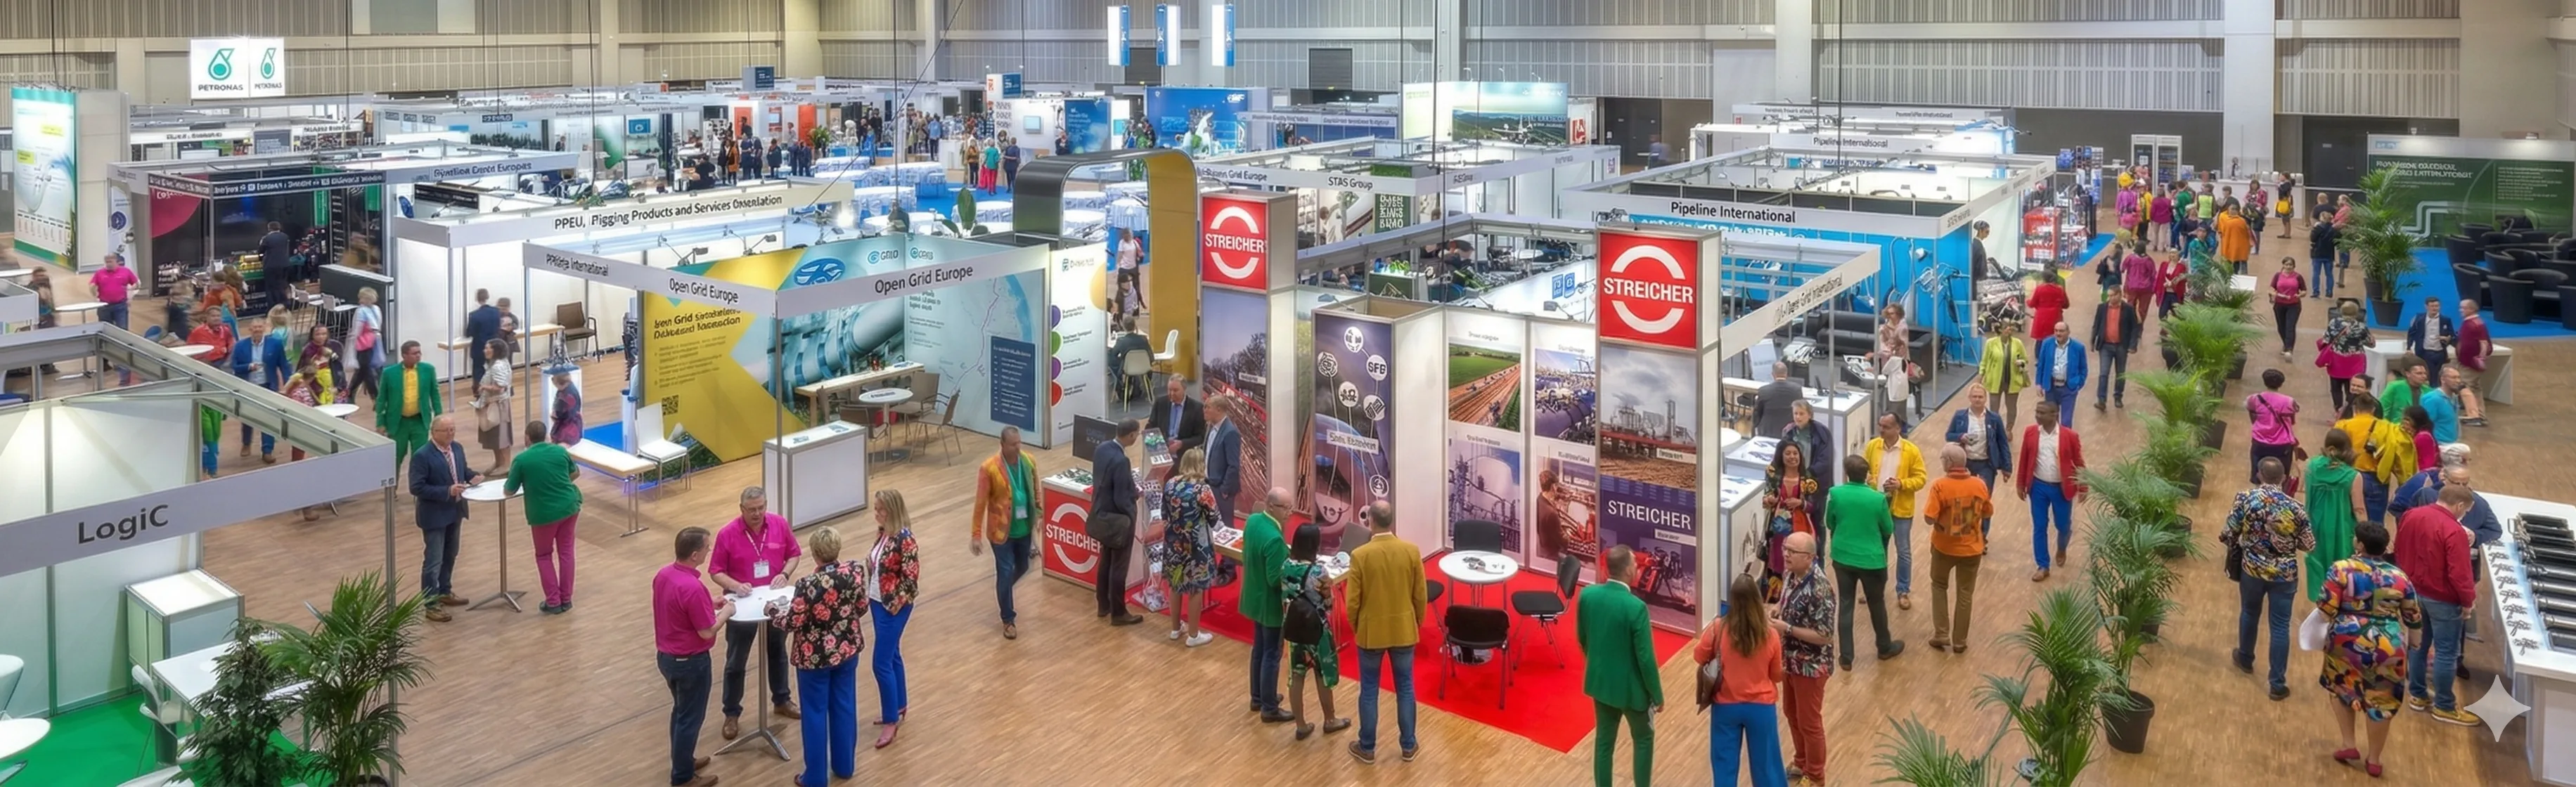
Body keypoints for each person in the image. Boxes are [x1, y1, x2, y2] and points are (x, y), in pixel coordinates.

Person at [2317, 520, 2421, 779]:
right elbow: (2413, 616)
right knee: (2382, 700)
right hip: (2389, 645)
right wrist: (2415, 644)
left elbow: (2326, 608)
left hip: (2346, 640)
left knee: (2340, 687)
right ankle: (2374, 760)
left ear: (2360, 545)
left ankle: (2348, 744)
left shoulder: (2341, 570)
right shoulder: (2400, 577)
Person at [768, 525, 863, 786]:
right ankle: (845, 767)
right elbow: (861, 607)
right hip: (846, 651)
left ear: (815, 553)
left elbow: (793, 622)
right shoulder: (855, 571)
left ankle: (815, 777)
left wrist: (773, 612)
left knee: (815, 713)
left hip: (814, 659)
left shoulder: (808, 584)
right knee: (845, 707)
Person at [711, 487, 806, 739]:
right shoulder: (727, 534)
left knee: (778, 653)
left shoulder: (779, 524)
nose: (757, 513)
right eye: (752, 509)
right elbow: (715, 571)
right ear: (741, 509)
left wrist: (785, 574)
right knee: (736, 662)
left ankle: (782, 700)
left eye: (761, 507)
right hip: (742, 605)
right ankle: (732, 713)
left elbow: (794, 554)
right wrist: (734, 585)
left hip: (773, 602)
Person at [2222, 457, 2317, 700]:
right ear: (2284, 478)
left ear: (2259, 474)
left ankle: (2245, 657)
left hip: (2252, 570)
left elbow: (2227, 533)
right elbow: (2309, 545)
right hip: (2284, 575)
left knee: (2249, 612)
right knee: (2280, 626)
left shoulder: (2245, 499)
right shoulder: (2295, 508)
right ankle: (2277, 683)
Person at [1346, 501, 1426, 765]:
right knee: (1405, 687)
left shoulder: (1360, 555)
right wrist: (1417, 622)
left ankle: (1367, 747)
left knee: (1369, 690)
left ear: (1370, 521)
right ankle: (1409, 745)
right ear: (1391, 520)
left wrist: (1357, 626)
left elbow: (1353, 602)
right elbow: (1420, 596)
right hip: (1404, 630)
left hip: (1371, 632)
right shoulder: (1411, 551)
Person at [2397, 483, 2481, 726]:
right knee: (2446, 652)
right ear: (2460, 506)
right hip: (2443, 599)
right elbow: (2460, 574)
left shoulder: (2411, 516)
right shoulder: (2454, 531)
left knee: (2417, 646)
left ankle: (2417, 695)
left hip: (2413, 592)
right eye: (2465, 511)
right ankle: (2444, 706)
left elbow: (2400, 549)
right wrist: (2468, 602)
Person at [655, 526, 733, 787]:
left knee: (680, 713)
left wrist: (708, 603)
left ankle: (683, 760)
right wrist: (726, 613)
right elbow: (706, 630)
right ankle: (683, 777)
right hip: (691, 663)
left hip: (666, 658)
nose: (709, 551)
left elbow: (677, 606)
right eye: (707, 548)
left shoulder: (665, 575)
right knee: (690, 718)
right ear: (695, 554)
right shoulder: (692, 587)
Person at [1694, 573, 1786, 787]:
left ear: (1732, 599)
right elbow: (1776, 676)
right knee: (1767, 767)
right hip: (1761, 708)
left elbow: (1698, 656)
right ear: (1757, 599)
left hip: (1726, 706)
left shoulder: (1718, 628)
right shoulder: (1771, 635)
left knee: (1724, 766)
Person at [1580, 545, 1662, 786]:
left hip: (1601, 684)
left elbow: (1584, 639)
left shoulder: (1587, 596)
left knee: (1604, 743)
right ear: (1627, 570)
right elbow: (1645, 659)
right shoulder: (1636, 608)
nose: (1638, 567)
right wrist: (1657, 695)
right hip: (1632, 691)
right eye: (1635, 564)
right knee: (1644, 739)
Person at [1822, 454, 1900, 667]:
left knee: (1846, 604)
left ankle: (1846, 658)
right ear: (1867, 475)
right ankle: (1884, 647)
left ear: (1847, 474)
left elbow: (1830, 522)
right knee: (1877, 604)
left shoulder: (1836, 494)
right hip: (1872, 561)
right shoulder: (1878, 499)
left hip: (1842, 557)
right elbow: (1889, 528)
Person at [1770, 530, 1834, 786]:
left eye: (1792, 552)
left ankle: (1816, 776)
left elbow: (1825, 635)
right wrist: (1778, 607)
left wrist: (1787, 629)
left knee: (1810, 722)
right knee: (1791, 713)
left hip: (1811, 665)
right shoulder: (1790, 575)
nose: (1786, 554)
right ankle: (1801, 761)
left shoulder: (1820, 588)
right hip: (1789, 660)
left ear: (1810, 557)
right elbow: (1786, 601)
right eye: (1786, 548)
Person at [1280, 521, 1350, 741]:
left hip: (1293, 626)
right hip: (1317, 629)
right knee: (1322, 674)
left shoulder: (1286, 566)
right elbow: (1328, 603)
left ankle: (1300, 724)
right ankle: (1330, 719)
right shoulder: (1319, 572)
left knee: (1296, 674)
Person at [505, 419, 584, 614]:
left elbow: (509, 490)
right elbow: (575, 473)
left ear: (527, 438)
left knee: (543, 555)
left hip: (543, 514)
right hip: (569, 507)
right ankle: (567, 599)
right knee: (566, 553)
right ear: (546, 435)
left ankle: (553, 601)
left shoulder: (522, 460)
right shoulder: (560, 451)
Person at [969, 426, 1041, 639]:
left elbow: (1034, 488)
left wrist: (1038, 513)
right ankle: (1008, 619)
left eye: (1019, 443)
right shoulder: (989, 469)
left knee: (1023, 566)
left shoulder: (1029, 461)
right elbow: (980, 503)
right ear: (1002, 445)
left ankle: (1003, 591)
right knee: (1006, 570)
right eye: (1013, 444)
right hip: (1000, 532)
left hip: (1024, 528)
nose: (1018, 447)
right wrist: (975, 535)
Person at [406, 414, 479, 623]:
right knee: (433, 560)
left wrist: (473, 476)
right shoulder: (422, 456)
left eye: (453, 429)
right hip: (435, 516)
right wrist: (447, 491)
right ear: (434, 432)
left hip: (455, 511)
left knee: (451, 555)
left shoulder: (457, 448)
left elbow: (462, 472)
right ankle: (430, 603)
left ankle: (445, 591)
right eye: (446, 430)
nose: (451, 434)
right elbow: (416, 487)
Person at [863, 490, 921, 748]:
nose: (876, 514)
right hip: (877, 602)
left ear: (893, 510)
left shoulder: (905, 540)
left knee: (881, 663)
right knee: (893, 655)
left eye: (881, 509)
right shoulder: (883, 533)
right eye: (876, 509)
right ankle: (900, 705)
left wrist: (893, 607)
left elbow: (911, 582)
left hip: (893, 608)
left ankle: (890, 721)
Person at [1921, 443, 1993, 654]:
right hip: (1972, 548)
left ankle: (1941, 633)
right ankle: (1960, 641)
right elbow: (1988, 512)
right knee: (1965, 593)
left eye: (1943, 459)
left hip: (1944, 547)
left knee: (1939, 586)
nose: (1941, 462)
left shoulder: (1939, 486)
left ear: (1948, 463)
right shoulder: (1979, 485)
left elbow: (1928, 517)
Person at [1861, 414, 1926, 609]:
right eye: (1880, 425)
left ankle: (1903, 590)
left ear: (1898, 428)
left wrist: (1901, 484)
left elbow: (1921, 478)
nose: (1882, 430)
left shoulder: (1911, 451)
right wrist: (1869, 478)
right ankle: (1874, 590)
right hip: (1876, 506)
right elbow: (1863, 468)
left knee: (1903, 551)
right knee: (1876, 550)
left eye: (1887, 427)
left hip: (1901, 509)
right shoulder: (1873, 446)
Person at [2016, 399, 2086, 581]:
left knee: (2063, 526)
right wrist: (2020, 484)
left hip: (2061, 488)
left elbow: (2079, 462)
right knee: (2039, 526)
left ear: (2054, 415)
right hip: (2038, 487)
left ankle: (2062, 546)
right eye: (2036, 412)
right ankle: (2043, 565)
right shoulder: (2031, 433)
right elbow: (2024, 458)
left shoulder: (2069, 436)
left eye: (2042, 413)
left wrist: (2084, 486)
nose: (2037, 415)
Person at [1239, 486, 1293, 722]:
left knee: (1259, 650)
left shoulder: (1252, 522)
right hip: (1269, 605)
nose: (1290, 512)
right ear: (1271, 506)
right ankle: (1269, 708)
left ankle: (1258, 696)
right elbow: (1275, 579)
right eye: (1285, 508)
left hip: (1253, 596)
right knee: (1272, 654)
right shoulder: (1274, 540)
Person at [1161, 448, 1221, 648]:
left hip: (1173, 544)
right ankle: (1194, 635)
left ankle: (1175, 628)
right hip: (1196, 547)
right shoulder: (1202, 490)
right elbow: (1215, 519)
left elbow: (1164, 514)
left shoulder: (1170, 484)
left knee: (1175, 584)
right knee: (1196, 588)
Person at [2300, 430, 2365, 602]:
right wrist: (2364, 535)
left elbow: (2305, 495)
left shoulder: (2310, 466)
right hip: (2342, 530)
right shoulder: (2353, 476)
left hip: (2315, 526)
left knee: (2317, 565)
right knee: (2342, 568)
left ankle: (2320, 604)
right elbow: (2359, 509)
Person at [1091, 420, 1145, 625]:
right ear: (1131, 435)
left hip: (1102, 514)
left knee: (1105, 560)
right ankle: (1119, 612)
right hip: (1119, 520)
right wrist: (1132, 510)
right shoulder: (1122, 461)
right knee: (1119, 566)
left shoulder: (1102, 448)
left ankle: (1103, 604)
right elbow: (1122, 497)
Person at [1946, 384, 2011, 537]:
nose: (1977, 399)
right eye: (1974, 396)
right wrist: (1960, 437)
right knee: (1964, 499)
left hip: (1986, 465)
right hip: (1965, 465)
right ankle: (1965, 532)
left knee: (1984, 500)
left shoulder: (1994, 419)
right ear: (1969, 398)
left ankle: (1982, 536)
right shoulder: (1960, 416)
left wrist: (2007, 467)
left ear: (1985, 399)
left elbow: (2003, 443)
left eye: (1980, 397)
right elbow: (1948, 435)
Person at [1760, 441, 1823, 599]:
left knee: (1800, 558)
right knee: (1778, 559)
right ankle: (1777, 599)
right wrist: (1769, 501)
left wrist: (1800, 503)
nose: (1792, 457)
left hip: (1802, 526)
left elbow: (1815, 506)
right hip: (1777, 528)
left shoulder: (1808, 478)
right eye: (1787, 454)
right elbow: (1766, 498)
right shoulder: (1773, 475)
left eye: (1795, 453)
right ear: (1781, 456)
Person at [375, 341, 443, 469]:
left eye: (419, 352)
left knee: (421, 458)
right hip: (398, 422)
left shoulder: (428, 370)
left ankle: (418, 488)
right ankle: (391, 488)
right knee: (395, 457)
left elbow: (435, 394)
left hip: (420, 420)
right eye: (415, 353)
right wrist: (380, 422)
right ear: (404, 355)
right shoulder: (389, 373)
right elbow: (382, 399)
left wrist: (439, 417)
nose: (419, 356)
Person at [232, 316, 290, 462]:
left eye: (260, 327)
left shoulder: (275, 344)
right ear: (250, 330)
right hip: (248, 387)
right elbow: (234, 367)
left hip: (268, 386)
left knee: (268, 418)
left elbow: (283, 365)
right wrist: (248, 367)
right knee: (248, 418)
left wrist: (289, 386)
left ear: (265, 328)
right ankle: (246, 443)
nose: (257, 330)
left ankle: (267, 450)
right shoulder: (240, 346)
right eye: (254, 327)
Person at [2089, 288, 2142, 410]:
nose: (2110, 298)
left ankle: (2118, 396)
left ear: (2119, 295)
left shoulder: (2128, 309)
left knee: (2120, 373)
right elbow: (2096, 324)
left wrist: (2132, 345)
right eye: (2109, 296)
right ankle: (2101, 400)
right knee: (2103, 373)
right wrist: (2092, 341)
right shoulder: (2102, 308)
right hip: (2105, 346)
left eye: (2113, 295)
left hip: (2121, 346)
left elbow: (2135, 327)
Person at [2246, 368, 2300, 483]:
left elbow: (2252, 416)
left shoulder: (2254, 399)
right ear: (2281, 384)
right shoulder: (2289, 401)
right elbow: (2292, 421)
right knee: (2281, 476)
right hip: (2282, 444)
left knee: (2258, 475)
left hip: (2259, 441)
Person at [1978, 321, 2031, 430]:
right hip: (1995, 381)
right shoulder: (1991, 343)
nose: (2008, 330)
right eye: (2005, 327)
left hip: (2013, 381)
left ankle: (2009, 429)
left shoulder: (2018, 343)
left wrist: (2021, 362)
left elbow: (2025, 360)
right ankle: (1994, 429)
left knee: (2011, 408)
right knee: (1994, 408)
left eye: (2010, 328)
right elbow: (1985, 361)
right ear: (2000, 330)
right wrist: (1981, 376)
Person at [2317, 301, 2368, 415]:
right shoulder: (2361, 326)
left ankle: (2338, 411)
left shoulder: (2334, 323)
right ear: (2356, 312)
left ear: (2341, 311)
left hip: (2337, 360)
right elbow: (2370, 343)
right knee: (2353, 387)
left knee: (2336, 388)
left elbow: (2326, 339)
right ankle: (2350, 411)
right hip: (2355, 361)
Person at [2034, 320, 2087, 427]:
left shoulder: (2078, 347)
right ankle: (2053, 442)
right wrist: (2039, 383)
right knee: (2051, 420)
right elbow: (2041, 365)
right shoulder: (2047, 344)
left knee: (2066, 422)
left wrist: (2078, 383)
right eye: (2056, 331)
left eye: (2062, 331)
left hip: (2069, 388)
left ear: (2068, 332)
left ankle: (2065, 443)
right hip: (2051, 387)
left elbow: (2084, 368)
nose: (2058, 334)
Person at [476, 339, 516, 474]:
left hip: (498, 405)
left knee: (501, 435)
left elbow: (500, 388)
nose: (485, 351)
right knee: (493, 436)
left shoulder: (498, 366)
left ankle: (506, 465)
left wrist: (483, 387)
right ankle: (498, 462)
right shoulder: (496, 364)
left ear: (496, 351)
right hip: (491, 403)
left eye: (488, 348)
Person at [1206, 394, 1246, 527]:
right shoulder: (1211, 428)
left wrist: (1224, 489)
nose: (1204, 410)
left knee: (1225, 525)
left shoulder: (1230, 432)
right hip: (1210, 485)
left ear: (1218, 409)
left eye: (1208, 407)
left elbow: (1233, 465)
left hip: (1221, 490)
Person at [1150, 376, 1209, 456]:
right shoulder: (1160, 403)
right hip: (1161, 452)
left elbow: (1200, 437)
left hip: (1184, 455)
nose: (1172, 394)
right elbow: (1151, 427)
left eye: (1175, 390)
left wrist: (1182, 444)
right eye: (1169, 390)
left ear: (1184, 389)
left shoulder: (1197, 408)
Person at [2454, 299, 2490, 428]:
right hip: (2466, 362)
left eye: (2463, 308)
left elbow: (2484, 343)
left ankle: (2474, 416)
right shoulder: (2470, 323)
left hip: (2469, 364)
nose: (2460, 310)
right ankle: (2480, 416)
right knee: (2475, 389)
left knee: (2465, 388)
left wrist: (2480, 359)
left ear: (2471, 309)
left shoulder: (2475, 324)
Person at [2404, 297, 2453, 382]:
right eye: (2432, 306)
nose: (2435, 308)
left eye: (2437, 306)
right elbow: (2411, 333)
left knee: (2438, 375)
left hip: (2440, 352)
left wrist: (2448, 338)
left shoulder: (2446, 320)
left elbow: (2452, 334)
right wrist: (2409, 347)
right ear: (2426, 307)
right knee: (2427, 375)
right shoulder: (2419, 319)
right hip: (2424, 352)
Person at [1751, 362, 1804, 438]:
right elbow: (1801, 410)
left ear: (1773, 374)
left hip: (1768, 432)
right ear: (1787, 374)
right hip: (1790, 432)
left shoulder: (1764, 391)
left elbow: (1757, 413)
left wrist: (1756, 426)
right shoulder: (1797, 389)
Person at [2269, 258, 2306, 356]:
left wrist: (2300, 295)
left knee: (2290, 326)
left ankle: (2289, 348)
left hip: (2294, 305)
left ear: (2294, 266)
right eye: (2287, 265)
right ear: (2283, 265)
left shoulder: (2298, 277)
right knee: (2281, 327)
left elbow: (2304, 291)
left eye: (2291, 265)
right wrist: (2276, 294)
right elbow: (2271, 289)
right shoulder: (2278, 276)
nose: (2289, 267)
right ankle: (2286, 344)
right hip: (2279, 305)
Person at [2378, 356, 2428, 427]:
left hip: (2419, 431)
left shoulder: (2428, 391)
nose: (2424, 376)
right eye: (2419, 373)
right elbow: (2383, 411)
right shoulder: (2394, 387)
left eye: (2425, 373)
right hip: (2396, 430)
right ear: (2408, 374)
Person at [465, 289, 502, 382]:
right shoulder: (496, 311)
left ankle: (479, 389)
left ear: (477, 298)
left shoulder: (474, 315)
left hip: (479, 346)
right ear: (488, 296)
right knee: (495, 367)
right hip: (495, 345)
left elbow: (470, 333)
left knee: (478, 369)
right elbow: (498, 326)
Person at [2423, 367, 2464, 445]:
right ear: (2443, 379)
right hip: (2439, 444)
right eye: (2454, 378)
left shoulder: (2454, 397)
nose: (2458, 381)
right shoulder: (2433, 399)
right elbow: (2426, 425)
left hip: (2453, 442)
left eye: (2459, 377)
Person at [2027, 269, 2069, 344]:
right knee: (2055, 340)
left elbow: (2032, 304)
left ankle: (2039, 355)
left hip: (2041, 318)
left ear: (2044, 279)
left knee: (2040, 341)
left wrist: (2027, 301)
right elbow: (2066, 305)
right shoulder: (2060, 290)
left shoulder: (2039, 289)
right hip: (2056, 317)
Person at [548, 364, 584, 445]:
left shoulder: (566, 396)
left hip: (567, 430)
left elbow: (560, 414)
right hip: (571, 426)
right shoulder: (568, 390)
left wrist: (555, 415)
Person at [2119, 241, 2158, 315]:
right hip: (2146, 288)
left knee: (2130, 307)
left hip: (2131, 286)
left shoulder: (2130, 258)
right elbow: (2153, 274)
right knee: (2143, 309)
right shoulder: (2149, 260)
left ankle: (2131, 323)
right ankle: (2140, 324)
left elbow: (2122, 269)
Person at [2402, 405, 2440, 480]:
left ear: (2416, 421)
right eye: (2404, 419)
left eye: (2408, 420)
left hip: (2424, 476)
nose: (2404, 422)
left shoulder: (2423, 437)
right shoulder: (2418, 434)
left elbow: (2427, 463)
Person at [2218, 200, 2253, 274]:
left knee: (2239, 264)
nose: (2233, 211)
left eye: (2235, 209)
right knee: (2230, 265)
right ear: (2228, 210)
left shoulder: (2242, 221)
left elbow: (2248, 233)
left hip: (2239, 246)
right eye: (2232, 209)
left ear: (2238, 211)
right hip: (2228, 245)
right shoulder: (2224, 218)